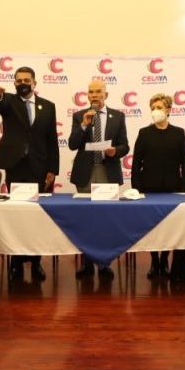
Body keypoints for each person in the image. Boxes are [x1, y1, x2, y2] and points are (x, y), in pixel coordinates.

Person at [0, 66, 59, 281]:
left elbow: (52, 139)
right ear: (14, 83)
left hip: (39, 168)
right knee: (17, 216)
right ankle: (16, 262)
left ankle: (36, 262)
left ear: (34, 82)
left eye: (26, 80)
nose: (22, 84)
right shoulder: (9, 102)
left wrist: (53, 169)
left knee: (37, 217)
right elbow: (0, 104)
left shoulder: (48, 106)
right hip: (16, 167)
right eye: (18, 80)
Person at [68, 79, 130, 278]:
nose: (94, 95)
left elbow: (125, 146)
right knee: (85, 219)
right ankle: (87, 264)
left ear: (106, 94)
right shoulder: (79, 116)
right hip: (86, 173)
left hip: (107, 171)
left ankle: (104, 263)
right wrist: (84, 125)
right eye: (91, 92)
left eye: (98, 92)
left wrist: (115, 151)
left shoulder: (118, 116)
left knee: (106, 219)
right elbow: (72, 144)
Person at [131, 93, 185, 279]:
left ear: (169, 110)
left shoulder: (179, 133)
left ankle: (165, 259)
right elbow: (136, 164)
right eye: (153, 108)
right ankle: (154, 260)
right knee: (151, 226)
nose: (155, 111)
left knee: (169, 227)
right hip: (149, 188)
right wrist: (136, 189)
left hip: (172, 189)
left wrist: (184, 190)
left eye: (159, 107)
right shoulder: (144, 133)